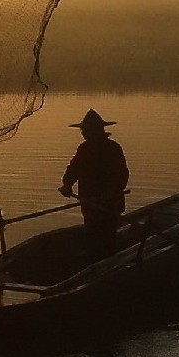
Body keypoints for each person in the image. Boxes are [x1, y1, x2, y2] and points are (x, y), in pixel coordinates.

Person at [59, 108, 129, 259]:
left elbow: (122, 175)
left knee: (107, 238)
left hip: (109, 204)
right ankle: (93, 261)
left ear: (97, 131)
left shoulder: (113, 149)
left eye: (86, 130)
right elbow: (73, 170)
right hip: (89, 204)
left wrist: (112, 191)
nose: (83, 133)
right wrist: (67, 184)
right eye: (83, 131)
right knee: (91, 235)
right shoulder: (84, 149)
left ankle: (108, 263)